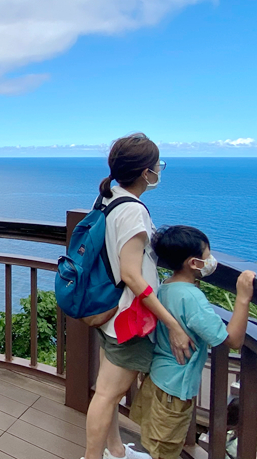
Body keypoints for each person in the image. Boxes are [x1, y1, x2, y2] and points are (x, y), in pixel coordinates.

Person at [83, 133, 195, 459]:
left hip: (109, 313)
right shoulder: (132, 211)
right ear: (146, 172)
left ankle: (115, 452)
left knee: (108, 392)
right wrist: (171, 322)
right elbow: (132, 274)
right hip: (128, 320)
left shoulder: (108, 198)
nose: (159, 170)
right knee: (106, 394)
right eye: (157, 165)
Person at [128, 225, 256, 459]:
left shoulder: (165, 286)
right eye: (207, 255)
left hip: (158, 378)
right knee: (164, 451)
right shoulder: (192, 299)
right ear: (194, 263)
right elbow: (233, 340)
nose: (211, 260)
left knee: (155, 445)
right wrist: (243, 298)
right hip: (174, 390)